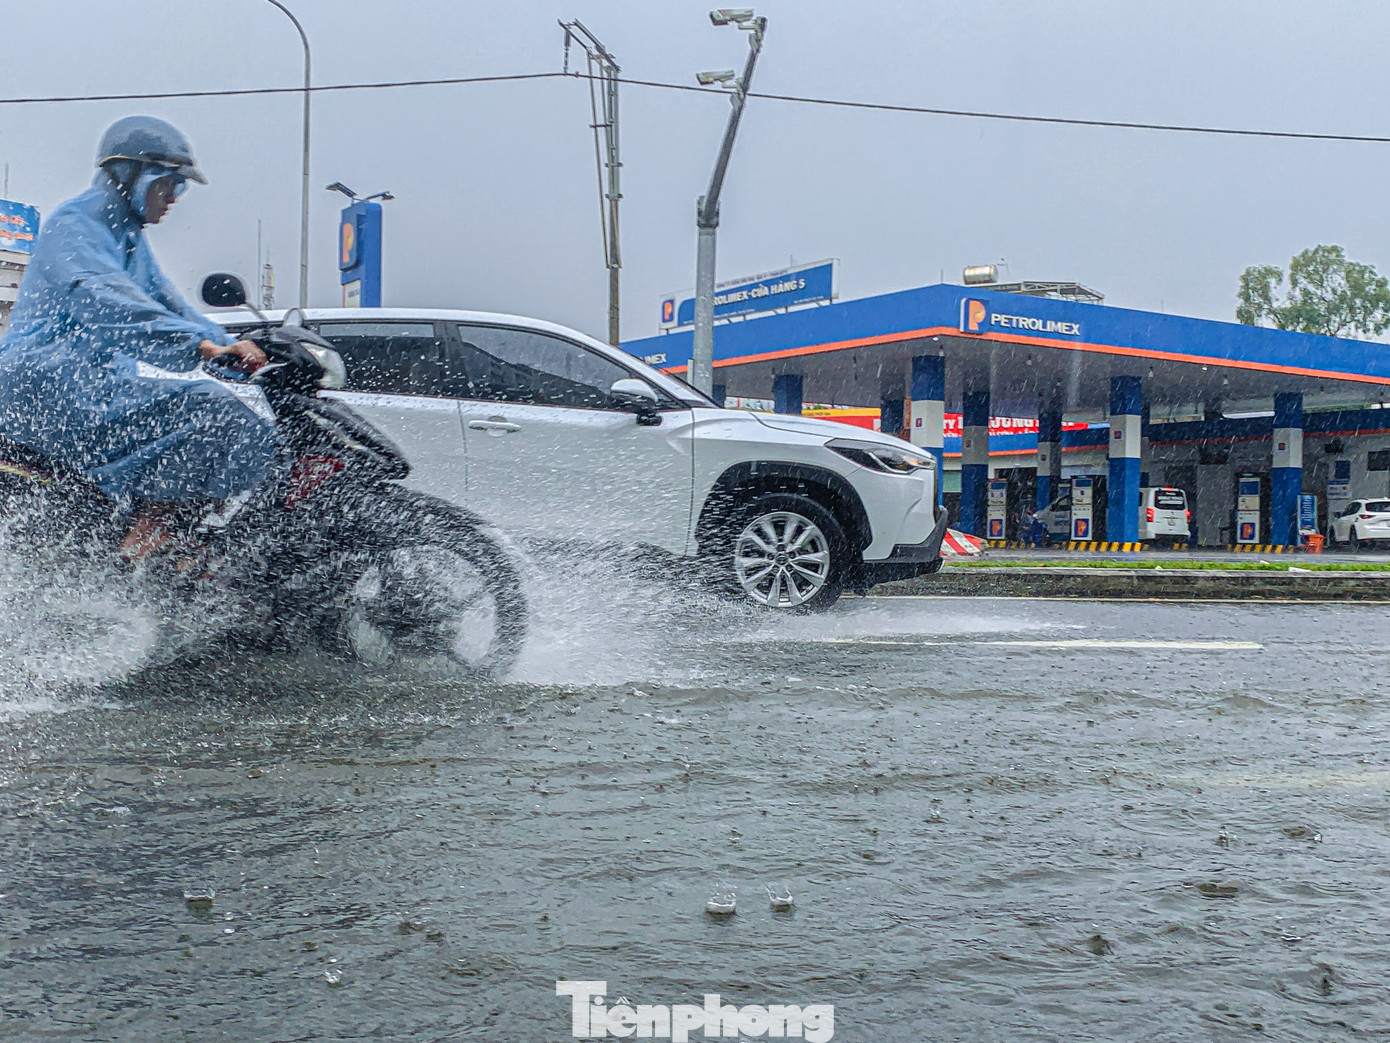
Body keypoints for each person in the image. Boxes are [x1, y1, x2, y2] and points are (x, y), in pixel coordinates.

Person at [0, 116, 278, 563]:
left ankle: (157, 544)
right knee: (214, 410)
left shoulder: (128, 238)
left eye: (178, 189)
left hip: (91, 389)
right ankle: (149, 540)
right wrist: (200, 347)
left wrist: (231, 342)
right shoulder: (74, 223)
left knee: (227, 420)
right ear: (129, 174)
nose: (172, 199)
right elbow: (107, 300)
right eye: (167, 185)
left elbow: (171, 306)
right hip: (48, 388)